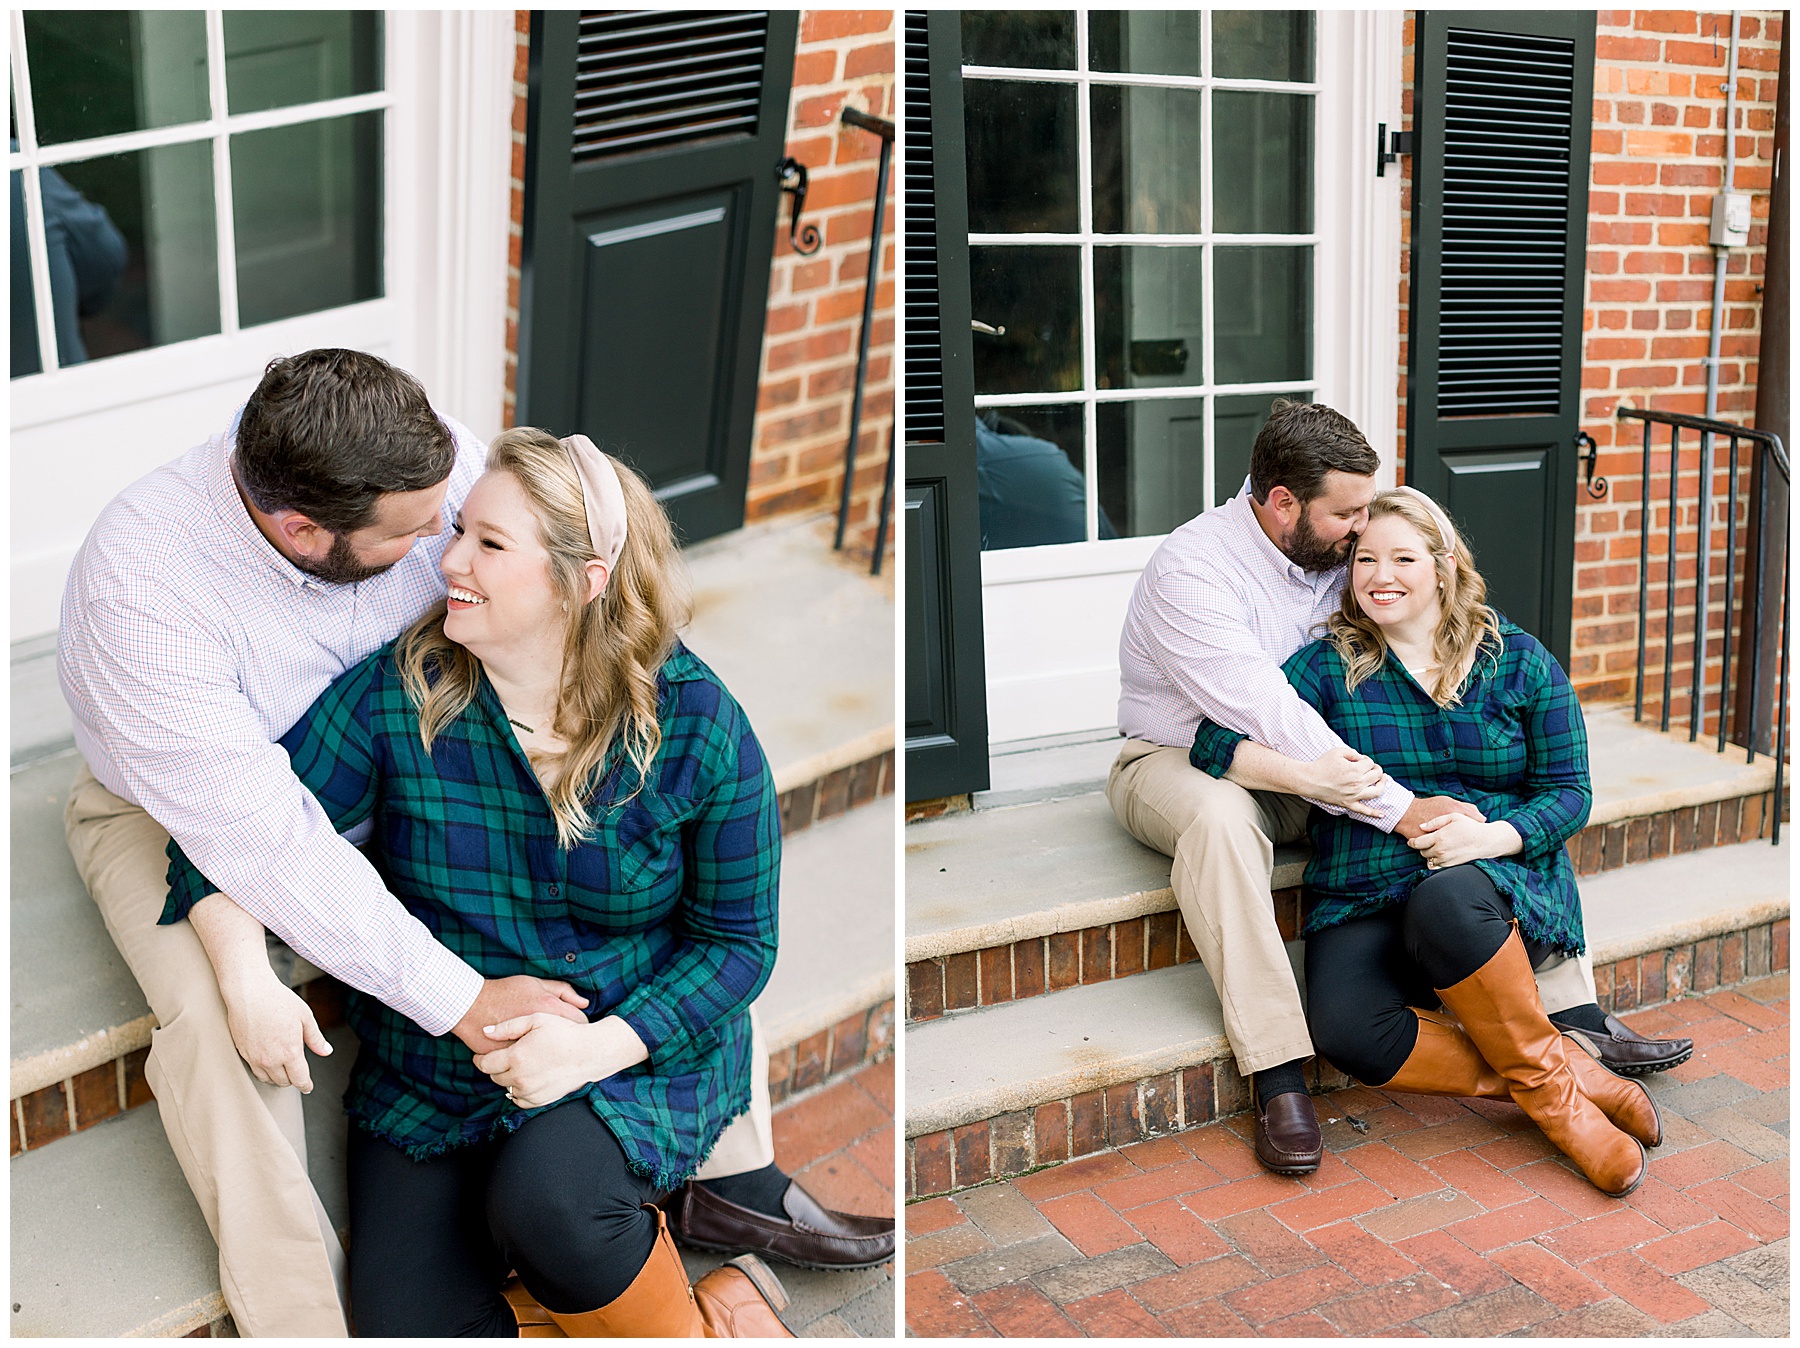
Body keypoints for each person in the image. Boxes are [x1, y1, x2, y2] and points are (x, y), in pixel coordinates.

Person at [57, 350, 888, 1337]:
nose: (440, 556)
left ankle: (715, 1184)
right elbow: (243, 836)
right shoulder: (166, 602)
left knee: (557, 1198)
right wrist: (297, 982)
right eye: (435, 533)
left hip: (588, 1010)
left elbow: (735, 937)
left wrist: (592, 1048)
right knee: (216, 1019)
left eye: (468, 531)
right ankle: (309, 1324)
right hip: (201, 796)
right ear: (301, 531)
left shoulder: (689, 716)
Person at [1108, 399, 1690, 1177]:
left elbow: (1562, 789)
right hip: (1190, 751)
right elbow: (1261, 718)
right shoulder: (1200, 575)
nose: (1366, 548)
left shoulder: (1506, 653)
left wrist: (1483, 831)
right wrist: (1378, 801)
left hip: (1365, 795)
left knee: (1471, 867)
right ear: (1283, 504)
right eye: (1353, 527)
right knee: (1221, 822)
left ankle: (1572, 1020)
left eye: (1389, 545)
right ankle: (1283, 1070)